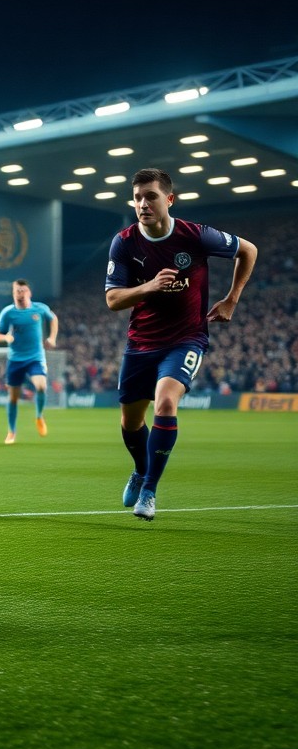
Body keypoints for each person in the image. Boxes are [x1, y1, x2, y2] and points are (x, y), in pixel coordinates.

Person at [105, 167, 257, 521]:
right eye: (137, 198)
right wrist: (149, 287)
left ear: (169, 199)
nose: (143, 204)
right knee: (130, 423)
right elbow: (112, 300)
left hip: (186, 339)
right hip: (141, 343)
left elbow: (248, 250)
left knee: (165, 403)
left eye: (151, 196)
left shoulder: (196, 236)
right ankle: (140, 469)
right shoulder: (124, 242)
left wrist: (232, 299)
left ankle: (149, 490)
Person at [0, 278, 59, 444]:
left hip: (35, 357)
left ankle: (39, 416)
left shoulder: (39, 308)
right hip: (15, 360)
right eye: (17, 291)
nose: (20, 294)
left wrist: (52, 337)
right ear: (13, 294)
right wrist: (5, 337)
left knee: (41, 386)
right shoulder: (8, 313)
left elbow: (53, 319)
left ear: (29, 293)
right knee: (13, 398)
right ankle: (11, 432)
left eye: (23, 291)